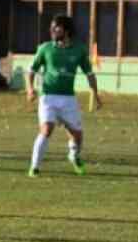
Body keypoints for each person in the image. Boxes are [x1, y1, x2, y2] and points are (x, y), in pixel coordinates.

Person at [24, 14, 102, 177]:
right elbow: (31, 71)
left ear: (66, 30)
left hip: (68, 99)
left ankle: (73, 155)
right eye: (51, 28)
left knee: (78, 136)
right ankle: (34, 167)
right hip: (48, 97)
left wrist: (96, 95)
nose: (52, 31)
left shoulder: (79, 49)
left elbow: (89, 74)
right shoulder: (45, 48)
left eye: (56, 28)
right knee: (46, 129)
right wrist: (30, 89)